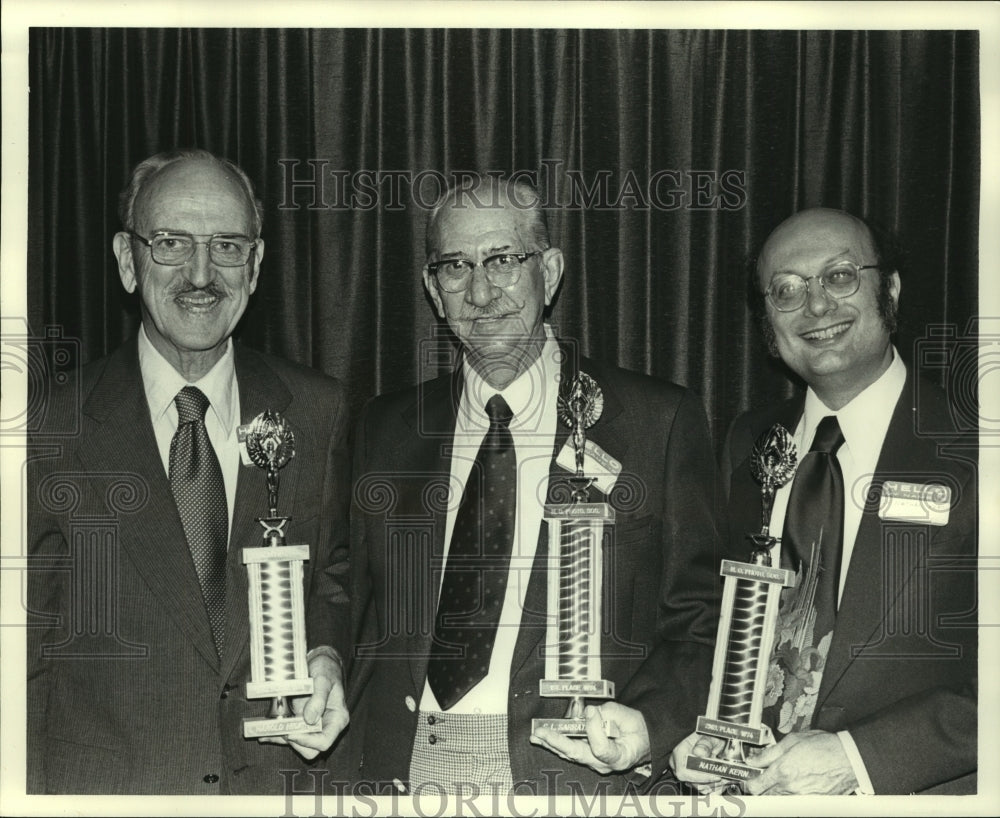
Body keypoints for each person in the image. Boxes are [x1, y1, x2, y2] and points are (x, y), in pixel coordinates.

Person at [345, 176, 726, 796]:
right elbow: (349, 600)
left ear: (549, 273)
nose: (480, 290)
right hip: (402, 767)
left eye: (502, 260)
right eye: (454, 267)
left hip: (575, 773)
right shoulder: (385, 429)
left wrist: (651, 723)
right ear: (432, 290)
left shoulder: (654, 422)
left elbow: (701, 617)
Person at [26, 150, 350, 794]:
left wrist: (328, 654)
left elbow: (335, 575)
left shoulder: (320, 410)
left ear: (255, 267)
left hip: (276, 789)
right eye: (172, 243)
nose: (201, 274)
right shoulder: (44, 427)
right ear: (128, 259)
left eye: (228, 246)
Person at [670, 207, 977, 794]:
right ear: (766, 321)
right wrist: (699, 729)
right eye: (786, 289)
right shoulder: (748, 443)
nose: (815, 307)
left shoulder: (977, 444)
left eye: (839, 277)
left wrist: (858, 759)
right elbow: (718, 620)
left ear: (889, 288)